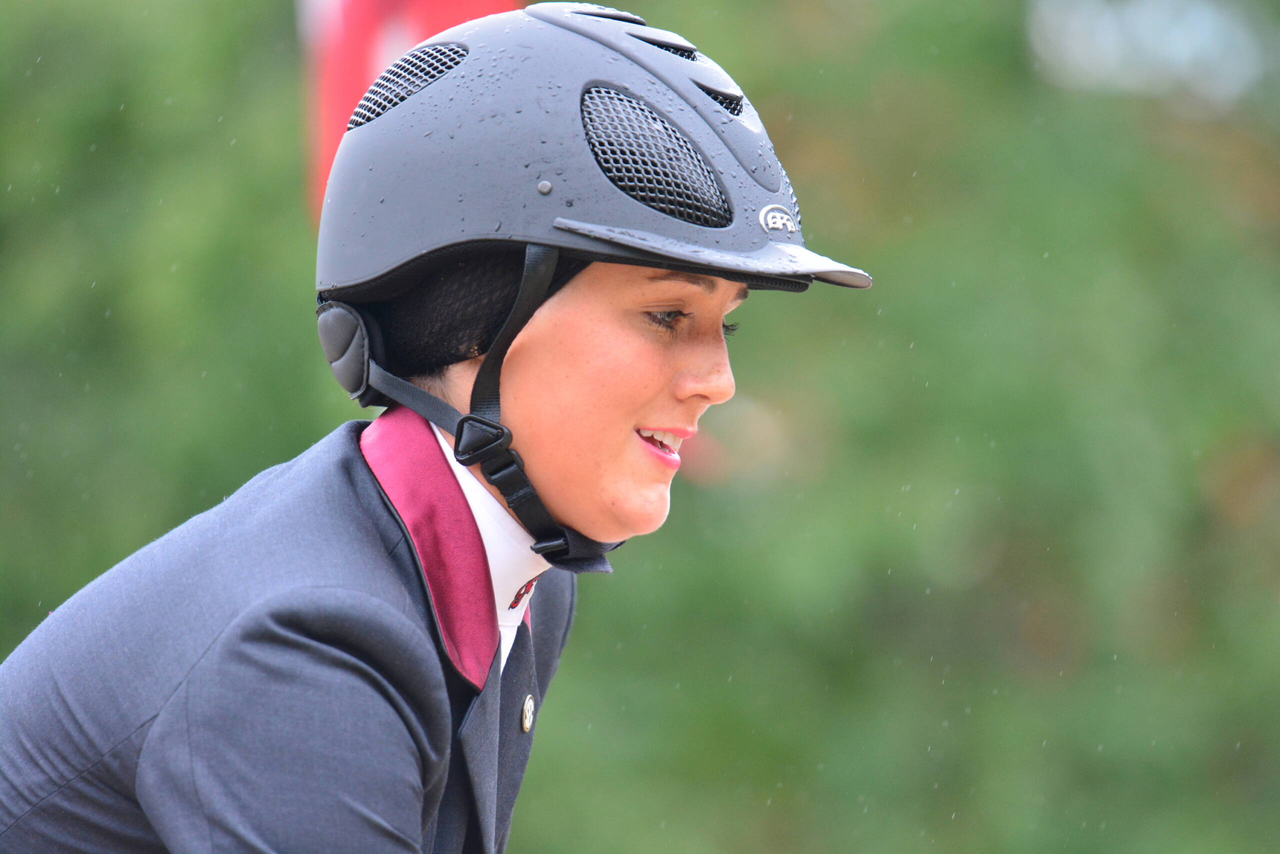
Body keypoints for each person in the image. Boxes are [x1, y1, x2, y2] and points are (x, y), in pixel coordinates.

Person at [0, 3, 871, 852]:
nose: (719, 382)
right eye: (667, 315)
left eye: (727, 325)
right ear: (476, 320)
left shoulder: (518, 577)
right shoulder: (309, 651)